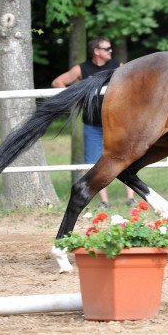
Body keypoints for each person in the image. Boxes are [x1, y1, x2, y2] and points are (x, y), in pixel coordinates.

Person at [52, 37, 135, 208]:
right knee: (93, 162)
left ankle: (131, 199)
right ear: (96, 51)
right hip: (92, 125)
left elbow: (133, 83)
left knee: (126, 157)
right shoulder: (81, 69)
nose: (110, 51)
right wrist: (75, 97)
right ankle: (104, 202)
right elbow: (58, 82)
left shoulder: (117, 67)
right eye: (107, 48)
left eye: (110, 48)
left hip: (116, 122)